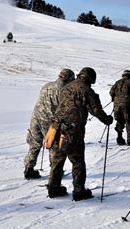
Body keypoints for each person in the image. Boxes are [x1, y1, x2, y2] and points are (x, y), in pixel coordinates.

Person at [46, 67, 113, 201]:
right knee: (77, 161)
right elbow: (96, 111)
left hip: (56, 127)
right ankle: (79, 191)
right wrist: (107, 120)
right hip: (72, 131)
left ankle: (53, 188)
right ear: (90, 79)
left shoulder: (67, 86)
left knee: (57, 159)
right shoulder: (87, 91)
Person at [23, 69, 75, 180]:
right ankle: (55, 171)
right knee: (53, 146)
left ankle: (28, 169)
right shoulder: (65, 91)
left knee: (34, 145)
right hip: (51, 122)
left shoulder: (47, 85)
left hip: (36, 118)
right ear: (69, 79)